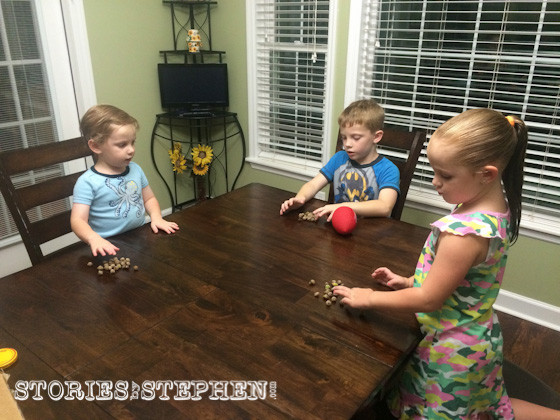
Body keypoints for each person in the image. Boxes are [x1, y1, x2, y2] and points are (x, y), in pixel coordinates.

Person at [334, 109, 560, 419]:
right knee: (489, 408)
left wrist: (369, 298)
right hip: (479, 335)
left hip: (452, 353)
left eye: (446, 175)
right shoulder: (490, 207)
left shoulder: (464, 234)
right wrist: (409, 281)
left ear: (487, 174)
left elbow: (430, 298)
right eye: (434, 171)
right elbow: (460, 281)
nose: (435, 181)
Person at [71, 105, 178, 257]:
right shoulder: (87, 182)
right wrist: (94, 239)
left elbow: (149, 198)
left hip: (140, 240)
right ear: (95, 146)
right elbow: (78, 220)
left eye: (132, 142)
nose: (131, 149)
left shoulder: (135, 169)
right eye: (122, 145)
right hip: (107, 246)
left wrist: (156, 217)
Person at [280, 99, 399, 220]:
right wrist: (300, 198)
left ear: (376, 136)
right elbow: (313, 184)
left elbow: (385, 207)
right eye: (344, 137)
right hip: (337, 225)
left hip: (370, 233)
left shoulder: (388, 169)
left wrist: (342, 207)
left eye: (356, 138)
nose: (347, 144)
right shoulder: (339, 158)